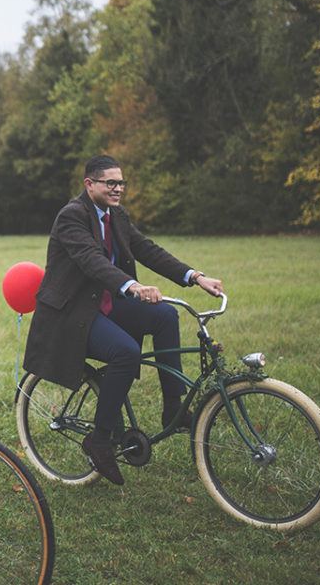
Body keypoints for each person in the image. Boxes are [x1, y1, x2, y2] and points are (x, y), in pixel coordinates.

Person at [23, 154, 224, 486]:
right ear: (90, 184)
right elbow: (90, 259)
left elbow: (147, 249)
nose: (118, 189)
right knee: (126, 352)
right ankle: (100, 440)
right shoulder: (71, 216)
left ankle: (172, 408)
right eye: (110, 183)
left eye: (121, 183)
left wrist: (195, 276)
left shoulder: (116, 216)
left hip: (103, 302)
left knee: (165, 316)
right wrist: (132, 285)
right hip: (73, 311)